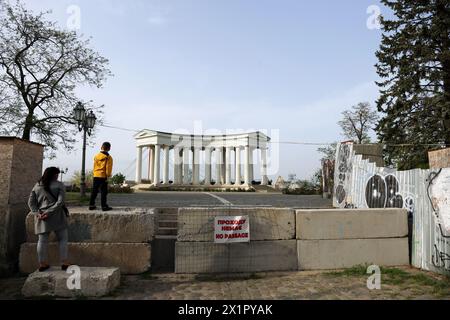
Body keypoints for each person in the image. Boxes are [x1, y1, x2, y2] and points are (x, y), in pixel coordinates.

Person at [28, 167, 70, 272]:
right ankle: (64, 263)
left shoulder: (37, 185)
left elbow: (31, 203)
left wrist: (37, 213)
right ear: (53, 174)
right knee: (63, 239)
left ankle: (42, 263)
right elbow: (60, 202)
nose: (57, 175)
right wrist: (49, 212)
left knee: (42, 241)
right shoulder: (59, 185)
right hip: (57, 215)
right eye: (57, 174)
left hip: (42, 217)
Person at [89, 142, 113, 211]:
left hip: (96, 175)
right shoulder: (108, 157)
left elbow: (94, 166)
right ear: (109, 148)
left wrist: (95, 173)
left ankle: (91, 205)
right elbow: (108, 168)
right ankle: (104, 206)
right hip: (103, 176)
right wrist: (108, 175)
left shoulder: (96, 156)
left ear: (101, 147)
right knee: (104, 191)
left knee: (94, 190)